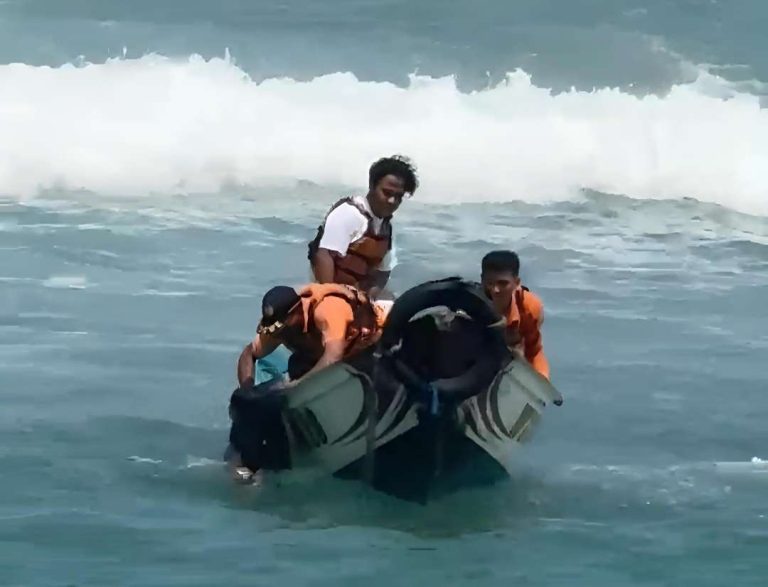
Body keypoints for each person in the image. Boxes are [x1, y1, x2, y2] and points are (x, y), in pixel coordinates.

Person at [236, 282, 391, 392]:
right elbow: (250, 352)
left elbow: (333, 356)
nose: (281, 333)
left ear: (298, 311)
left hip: (366, 346)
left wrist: (297, 385)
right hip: (321, 358)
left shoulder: (327, 309)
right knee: (296, 364)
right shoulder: (279, 327)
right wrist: (246, 389)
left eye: (284, 327)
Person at [307, 155, 418, 297]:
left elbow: (383, 272)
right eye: (387, 193)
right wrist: (332, 297)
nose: (392, 201)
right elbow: (324, 255)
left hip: (358, 297)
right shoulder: (349, 213)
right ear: (372, 186)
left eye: (398, 196)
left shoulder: (386, 229)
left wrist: (369, 299)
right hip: (329, 294)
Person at [480, 250, 551, 380]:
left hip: (511, 359)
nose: (495, 290)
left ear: (517, 282)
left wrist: (542, 381)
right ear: (482, 280)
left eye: (503, 283)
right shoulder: (469, 303)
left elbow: (534, 352)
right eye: (490, 283)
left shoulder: (529, 307)